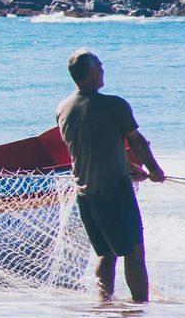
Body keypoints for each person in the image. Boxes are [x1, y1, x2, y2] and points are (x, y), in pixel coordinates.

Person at [57, 49, 165, 303]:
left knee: (106, 253)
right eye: (101, 67)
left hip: (85, 194)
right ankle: (140, 308)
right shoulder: (115, 104)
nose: (104, 70)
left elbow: (92, 147)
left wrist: (128, 167)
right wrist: (154, 171)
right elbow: (137, 143)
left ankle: (104, 304)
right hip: (114, 192)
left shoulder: (63, 108)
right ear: (93, 73)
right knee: (134, 252)